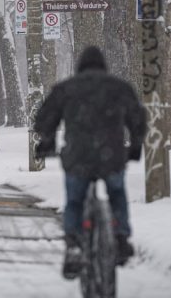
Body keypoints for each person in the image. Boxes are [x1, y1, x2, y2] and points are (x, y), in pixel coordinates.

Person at [34, 46, 147, 280]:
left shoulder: (67, 88)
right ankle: (121, 236)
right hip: (111, 155)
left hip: (78, 156)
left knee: (75, 201)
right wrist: (135, 145)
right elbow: (138, 118)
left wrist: (47, 142)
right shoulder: (119, 88)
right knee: (116, 192)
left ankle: (74, 244)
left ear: (80, 67)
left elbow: (45, 119)